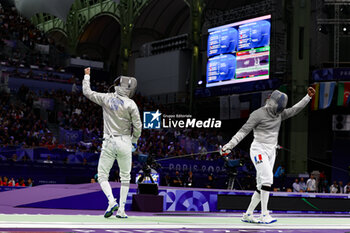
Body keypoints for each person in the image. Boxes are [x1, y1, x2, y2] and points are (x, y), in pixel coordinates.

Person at [221, 87, 315, 224]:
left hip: (272, 152)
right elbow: (243, 131)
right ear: (272, 102)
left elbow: (295, 109)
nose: (280, 110)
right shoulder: (258, 114)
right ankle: (264, 214)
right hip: (259, 150)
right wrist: (228, 146)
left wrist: (308, 97)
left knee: (261, 186)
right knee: (267, 179)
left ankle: (248, 214)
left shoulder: (280, 114)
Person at [82, 67, 142, 218]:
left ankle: (111, 201)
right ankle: (121, 210)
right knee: (125, 177)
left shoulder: (106, 98)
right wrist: (134, 141)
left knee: (102, 175)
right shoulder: (131, 104)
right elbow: (138, 126)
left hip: (109, 142)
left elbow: (87, 92)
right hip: (125, 143)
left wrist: (87, 76)